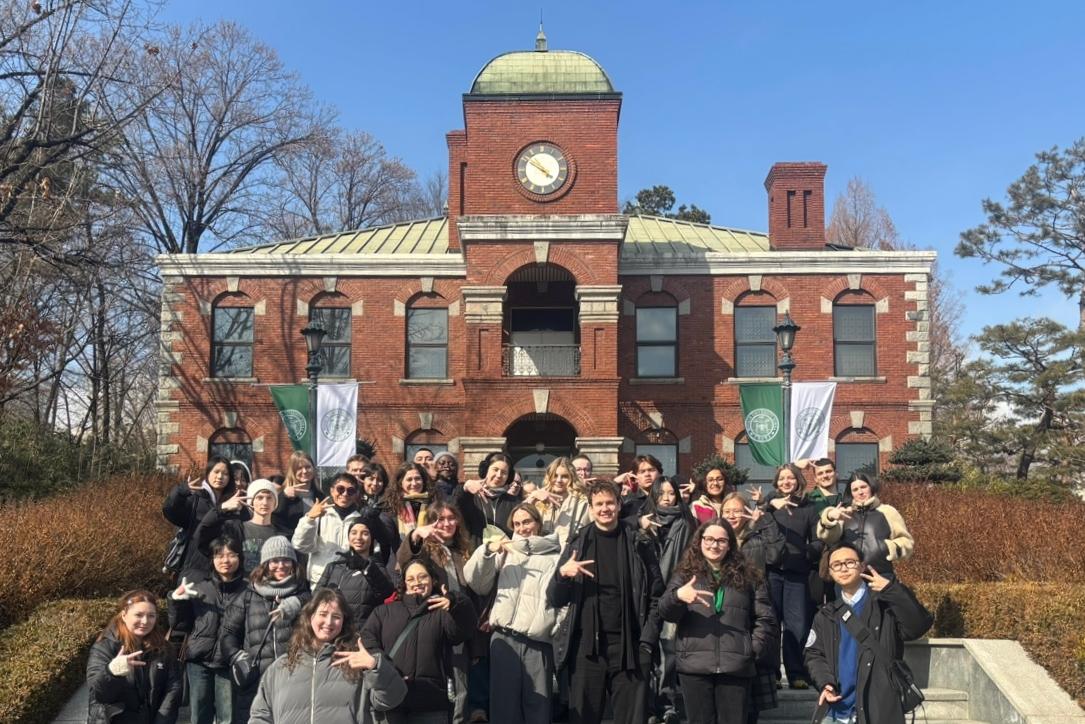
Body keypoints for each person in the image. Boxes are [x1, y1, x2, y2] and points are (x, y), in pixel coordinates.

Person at [547, 480, 664, 724]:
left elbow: (656, 596)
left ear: (619, 505)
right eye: (599, 504)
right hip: (587, 650)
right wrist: (562, 576)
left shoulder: (638, 542)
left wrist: (647, 642)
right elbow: (554, 597)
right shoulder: (579, 542)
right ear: (590, 509)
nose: (605, 509)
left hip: (630, 647)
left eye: (610, 503)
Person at [658, 518, 777, 724]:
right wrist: (677, 596)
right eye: (709, 539)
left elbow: (766, 618)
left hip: (735, 666)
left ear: (730, 544)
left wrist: (751, 649)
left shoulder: (750, 576)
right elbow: (665, 612)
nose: (714, 545)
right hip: (695, 666)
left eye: (721, 540)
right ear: (700, 541)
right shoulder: (685, 575)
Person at [804, 543, 933, 724]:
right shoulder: (826, 615)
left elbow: (918, 626)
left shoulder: (884, 605)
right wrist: (825, 682)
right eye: (837, 565)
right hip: (838, 711)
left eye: (850, 562)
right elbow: (814, 654)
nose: (844, 568)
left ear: (862, 566)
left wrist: (892, 590)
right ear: (831, 572)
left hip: (879, 710)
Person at [463, 503, 562, 724]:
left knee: (538, 707)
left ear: (538, 522)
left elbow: (563, 600)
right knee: (503, 707)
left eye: (527, 521)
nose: (522, 527)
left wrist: (552, 627)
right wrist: (487, 551)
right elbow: (477, 583)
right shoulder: (506, 551)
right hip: (504, 637)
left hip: (538, 641)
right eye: (517, 523)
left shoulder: (556, 554)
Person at [249, 587, 407, 724]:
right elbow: (261, 715)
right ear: (311, 618)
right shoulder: (281, 667)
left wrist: (375, 667)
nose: (329, 622)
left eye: (336, 617)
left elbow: (392, 699)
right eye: (323, 614)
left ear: (344, 622)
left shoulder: (357, 661)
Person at [361, 557, 478, 724]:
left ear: (433, 580)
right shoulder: (383, 612)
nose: (417, 582)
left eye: (423, 577)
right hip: (391, 701)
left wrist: (456, 602)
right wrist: (388, 670)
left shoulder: (442, 614)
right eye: (410, 578)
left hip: (430, 703)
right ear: (403, 583)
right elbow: (367, 641)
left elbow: (464, 629)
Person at [394, 499, 480, 724]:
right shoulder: (424, 548)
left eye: (452, 518)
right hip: (429, 622)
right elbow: (404, 563)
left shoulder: (464, 550)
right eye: (441, 519)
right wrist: (415, 536)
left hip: (458, 622)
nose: (447, 523)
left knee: (461, 686)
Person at [221, 536, 311, 723]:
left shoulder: (304, 594)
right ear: (265, 564)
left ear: (294, 563)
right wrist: (236, 656)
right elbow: (228, 632)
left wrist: (297, 603)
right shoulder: (248, 595)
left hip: (294, 678)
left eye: (286, 560)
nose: (281, 565)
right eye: (274, 561)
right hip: (255, 679)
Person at [720, 493, 785, 723]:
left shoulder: (757, 538)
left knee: (751, 697)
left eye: (736, 510)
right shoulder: (716, 540)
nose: (732, 515)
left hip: (754, 611)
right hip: (726, 615)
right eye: (727, 511)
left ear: (746, 512)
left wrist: (765, 521)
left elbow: (776, 554)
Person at [169, 537, 247, 724]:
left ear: (240, 557)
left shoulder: (249, 588)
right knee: (198, 715)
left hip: (227, 662)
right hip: (198, 660)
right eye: (219, 555)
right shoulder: (199, 588)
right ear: (212, 559)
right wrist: (177, 601)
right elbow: (180, 624)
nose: (225, 560)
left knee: (227, 716)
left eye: (231, 555)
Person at [763, 463, 821, 689]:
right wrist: (768, 505)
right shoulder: (770, 507)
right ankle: (772, 674)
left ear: (798, 481)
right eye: (782, 479)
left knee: (797, 625)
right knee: (770, 623)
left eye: (790, 478)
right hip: (771, 572)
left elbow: (818, 541)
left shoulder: (809, 508)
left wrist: (806, 553)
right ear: (776, 483)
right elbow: (754, 524)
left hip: (797, 574)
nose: (786, 482)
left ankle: (796, 673)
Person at [644, 477, 697, 724]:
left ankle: (667, 704)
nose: (667, 497)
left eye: (671, 493)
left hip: (672, 594)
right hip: (646, 595)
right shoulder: (644, 522)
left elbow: (688, 560)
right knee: (647, 650)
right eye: (661, 493)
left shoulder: (685, 524)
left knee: (668, 650)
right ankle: (647, 704)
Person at [86, 590, 182, 724]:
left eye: (151, 616)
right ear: (124, 615)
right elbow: (99, 694)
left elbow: (173, 688)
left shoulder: (164, 648)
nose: (145, 621)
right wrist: (112, 672)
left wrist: (162, 720)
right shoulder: (105, 647)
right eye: (138, 615)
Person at [817, 473, 914, 579]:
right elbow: (828, 538)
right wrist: (830, 517)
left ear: (871, 488)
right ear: (851, 493)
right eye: (855, 489)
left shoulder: (887, 511)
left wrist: (887, 548)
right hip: (848, 577)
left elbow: (907, 541)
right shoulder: (844, 513)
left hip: (880, 575)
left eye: (863, 487)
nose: (860, 492)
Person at [161, 455, 236, 581]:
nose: (220, 477)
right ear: (208, 473)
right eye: (216, 472)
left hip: (223, 567)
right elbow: (170, 511)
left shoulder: (232, 502)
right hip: (194, 567)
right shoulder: (196, 498)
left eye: (225, 474)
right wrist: (179, 492)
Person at [193, 478, 291, 573]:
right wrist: (221, 509)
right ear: (251, 501)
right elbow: (201, 537)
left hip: (270, 587)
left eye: (269, 498)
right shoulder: (235, 529)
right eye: (259, 497)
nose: (265, 502)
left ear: (275, 502)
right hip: (242, 587)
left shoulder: (282, 535)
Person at [318, 519, 396, 631]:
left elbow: (387, 592)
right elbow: (316, 598)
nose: (358, 537)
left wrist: (365, 567)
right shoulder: (333, 566)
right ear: (348, 537)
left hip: (360, 631)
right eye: (354, 533)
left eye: (365, 533)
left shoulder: (376, 566)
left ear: (372, 539)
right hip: (331, 628)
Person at [292, 472, 366, 585]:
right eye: (340, 489)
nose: (345, 494)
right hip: (320, 581)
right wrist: (310, 519)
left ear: (356, 494)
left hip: (350, 582)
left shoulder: (360, 519)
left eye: (350, 491)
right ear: (332, 490)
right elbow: (300, 545)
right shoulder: (320, 515)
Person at [527, 456, 591, 548]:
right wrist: (532, 498)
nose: (559, 480)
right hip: (542, 556)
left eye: (564, 476)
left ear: (572, 478)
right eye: (555, 476)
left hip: (572, 556)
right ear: (549, 477)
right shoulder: (538, 501)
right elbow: (521, 528)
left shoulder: (583, 502)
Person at [456, 452, 521, 540]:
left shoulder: (514, 502)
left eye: (504, 472)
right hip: (475, 552)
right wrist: (464, 488)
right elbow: (452, 507)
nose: (499, 475)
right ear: (486, 470)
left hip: (506, 551)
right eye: (495, 469)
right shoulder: (469, 497)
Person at [383, 462, 435, 541]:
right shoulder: (391, 508)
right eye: (409, 479)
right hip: (401, 552)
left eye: (417, 478)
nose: (414, 483)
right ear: (401, 483)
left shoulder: (434, 504)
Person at [274, 451, 318, 533]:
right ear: (293, 471)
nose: (304, 471)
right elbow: (275, 521)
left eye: (308, 467)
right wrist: (283, 497)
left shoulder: (320, 496)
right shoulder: (283, 495)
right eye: (299, 468)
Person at [618, 454, 663, 530]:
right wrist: (616, 483)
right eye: (642, 472)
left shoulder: (669, 497)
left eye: (651, 470)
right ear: (635, 477)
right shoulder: (628, 501)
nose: (647, 474)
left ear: (659, 473)